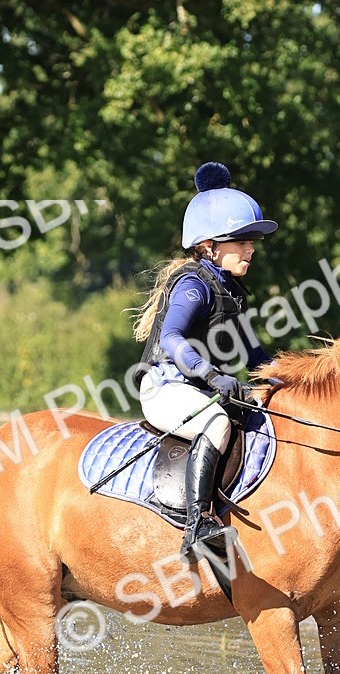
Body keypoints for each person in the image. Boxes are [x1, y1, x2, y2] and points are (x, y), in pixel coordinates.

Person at [133, 161, 277, 562]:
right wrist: (212, 374)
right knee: (216, 422)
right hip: (165, 388)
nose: (250, 248)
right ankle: (199, 524)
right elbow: (171, 338)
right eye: (241, 240)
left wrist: (290, 378)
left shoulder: (232, 291)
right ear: (208, 245)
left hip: (199, 389)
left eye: (251, 241)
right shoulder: (194, 284)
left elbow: (255, 355)